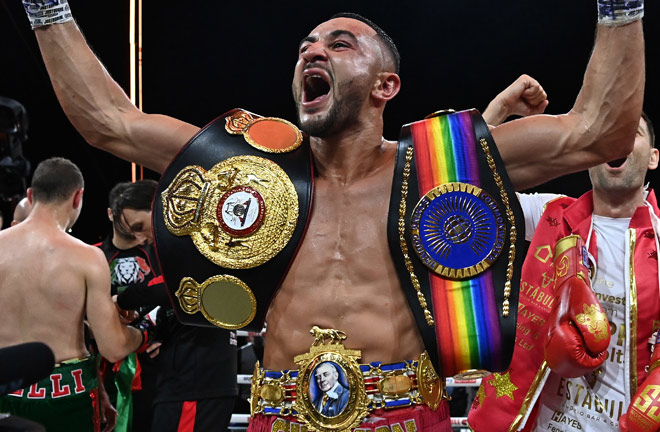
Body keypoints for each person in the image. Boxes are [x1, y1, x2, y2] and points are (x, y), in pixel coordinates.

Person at [19, 1, 645, 430]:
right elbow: (110, 122)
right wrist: (46, 9)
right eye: (305, 47)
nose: (312, 52)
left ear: (385, 85)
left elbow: (598, 131)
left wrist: (622, 8)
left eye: (338, 44)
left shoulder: (439, 167)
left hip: (404, 416)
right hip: (279, 414)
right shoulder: (247, 170)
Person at [468, 81, 660, 431]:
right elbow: (461, 191)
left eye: (631, 133)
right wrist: (500, 108)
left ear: (653, 157)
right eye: (609, 135)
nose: (618, 142)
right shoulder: (552, 215)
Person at [0, 157, 146, 432]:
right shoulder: (87, 258)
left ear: (30, 195)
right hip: (67, 392)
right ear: (78, 197)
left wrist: (99, 388)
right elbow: (113, 347)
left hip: (6, 387)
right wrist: (145, 332)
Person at [103, 181, 238, 432]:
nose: (141, 238)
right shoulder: (178, 246)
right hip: (187, 379)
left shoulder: (194, 240)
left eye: (140, 227)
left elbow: (174, 287)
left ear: (158, 205)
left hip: (196, 381)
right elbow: (175, 304)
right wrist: (152, 330)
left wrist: (121, 301)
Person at [94, 179, 160, 432]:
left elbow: (172, 302)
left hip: (153, 363)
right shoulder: (92, 255)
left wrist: (163, 333)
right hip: (105, 363)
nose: (135, 232)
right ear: (111, 214)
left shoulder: (158, 253)